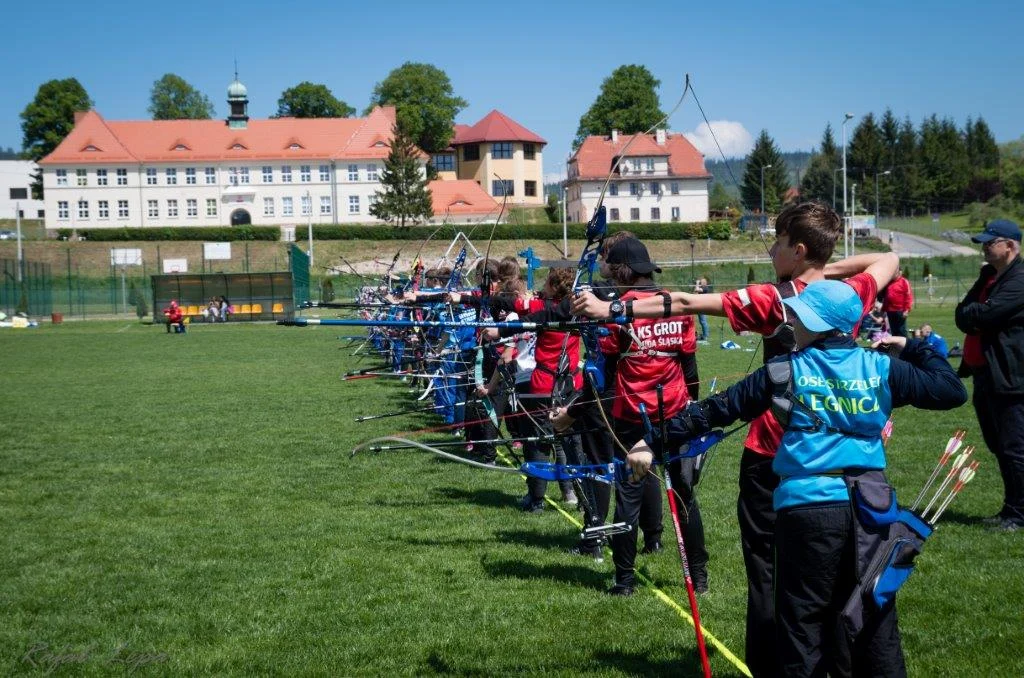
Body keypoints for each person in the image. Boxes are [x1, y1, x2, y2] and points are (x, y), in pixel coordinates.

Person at [571, 201, 900, 677]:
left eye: (780, 243)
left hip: (775, 454)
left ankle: (771, 666)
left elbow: (683, 302)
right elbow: (887, 261)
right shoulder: (849, 292)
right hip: (849, 463)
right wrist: (822, 269)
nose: (771, 249)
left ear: (798, 248)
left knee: (769, 574)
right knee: (843, 574)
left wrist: (612, 307)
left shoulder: (778, 300)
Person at [627, 280, 967, 677]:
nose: (791, 320)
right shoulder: (882, 368)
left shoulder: (785, 370)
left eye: (799, 315)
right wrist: (913, 345)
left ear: (817, 323)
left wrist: (649, 440)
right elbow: (950, 390)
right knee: (874, 613)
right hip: (872, 511)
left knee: (803, 624)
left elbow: (718, 410)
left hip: (807, 512)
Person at [558, 237, 707, 595]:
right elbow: (691, 371)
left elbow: (605, 381)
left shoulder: (618, 312)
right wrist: (694, 412)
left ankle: (624, 581)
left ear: (624, 272)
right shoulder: (675, 305)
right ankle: (699, 578)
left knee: (629, 497)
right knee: (684, 494)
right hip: (676, 414)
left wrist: (571, 413)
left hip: (631, 421)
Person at [955, 219, 1024, 531]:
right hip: (985, 375)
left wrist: (977, 316)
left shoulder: (1019, 279)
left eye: (990, 242)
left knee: (1014, 447)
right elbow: (963, 315)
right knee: (998, 445)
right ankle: (1011, 507)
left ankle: (1018, 514)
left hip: (1010, 377)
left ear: (1009, 246)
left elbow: (986, 314)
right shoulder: (989, 276)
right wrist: (976, 317)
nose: (984, 246)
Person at [881, 270, 913, 337]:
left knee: (901, 330)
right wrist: (883, 308)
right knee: (893, 330)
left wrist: (906, 310)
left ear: (900, 272)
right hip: (890, 310)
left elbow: (908, 296)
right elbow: (886, 297)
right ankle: (896, 346)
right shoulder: (889, 282)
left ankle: (905, 345)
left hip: (900, 310)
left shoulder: (904, 282)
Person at [694, 277, 711, 341]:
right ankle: (704, 335)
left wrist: (697, 283)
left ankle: (706, 336)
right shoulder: (701, 288)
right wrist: (697, 285)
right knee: (702, 321)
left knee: (703, 321)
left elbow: (696, 290)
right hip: (699, 305)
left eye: (701, 282)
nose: (700, 283)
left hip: (703, 306)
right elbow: (695, 292)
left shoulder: (705, 288)